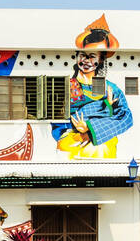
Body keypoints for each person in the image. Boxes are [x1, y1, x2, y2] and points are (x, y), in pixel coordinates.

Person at [53, 15, 133, 159]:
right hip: (71, 140)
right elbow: (56, 118)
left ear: (101, 60)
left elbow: (125, 117)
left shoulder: (109, 89)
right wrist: (76, 132)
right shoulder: (65, 87)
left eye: (92, 56)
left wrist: (90, 129)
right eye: (82, 55)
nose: (86, 60)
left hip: (101, 140)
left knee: (100, 149)